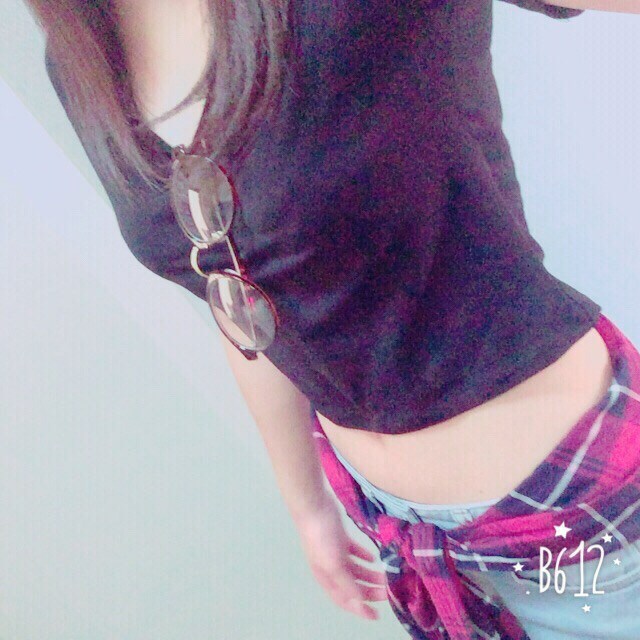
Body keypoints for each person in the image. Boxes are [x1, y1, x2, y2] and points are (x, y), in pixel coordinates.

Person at [27, 0, 640, 637]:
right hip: (402, 531)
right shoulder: (82, 60)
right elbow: (242, 300)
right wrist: (307, 506)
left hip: (576, 513)